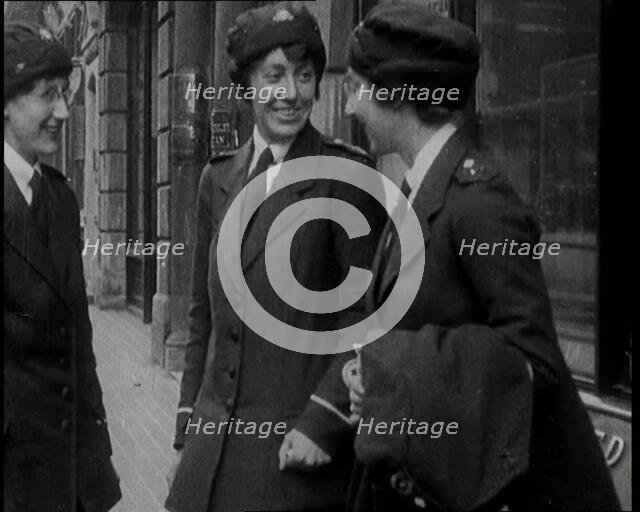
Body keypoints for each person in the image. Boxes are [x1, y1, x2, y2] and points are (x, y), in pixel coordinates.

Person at [341, 3, 620, 511]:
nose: (349, 108)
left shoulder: (480, 203)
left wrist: (396, 379)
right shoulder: (421, 188)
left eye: (356, 89)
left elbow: (534, 360)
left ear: (397, 95)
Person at [164, 3, 386, 512]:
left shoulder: (345, 176)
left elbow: (367, 318)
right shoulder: (217, 179)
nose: (291, 93)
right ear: (246, 87)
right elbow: (203, 317)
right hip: (213, 457)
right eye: (274, 76)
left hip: (294, 459)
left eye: (304, 76)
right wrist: (186, 431)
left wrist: (322, 423)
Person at [4, 22, 121, 512]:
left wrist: (98, 449)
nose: (62, 112)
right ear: (6, 103)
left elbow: (80, 336)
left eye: (65, 95)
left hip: (72, 469)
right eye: (46, 96)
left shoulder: (60, 197)